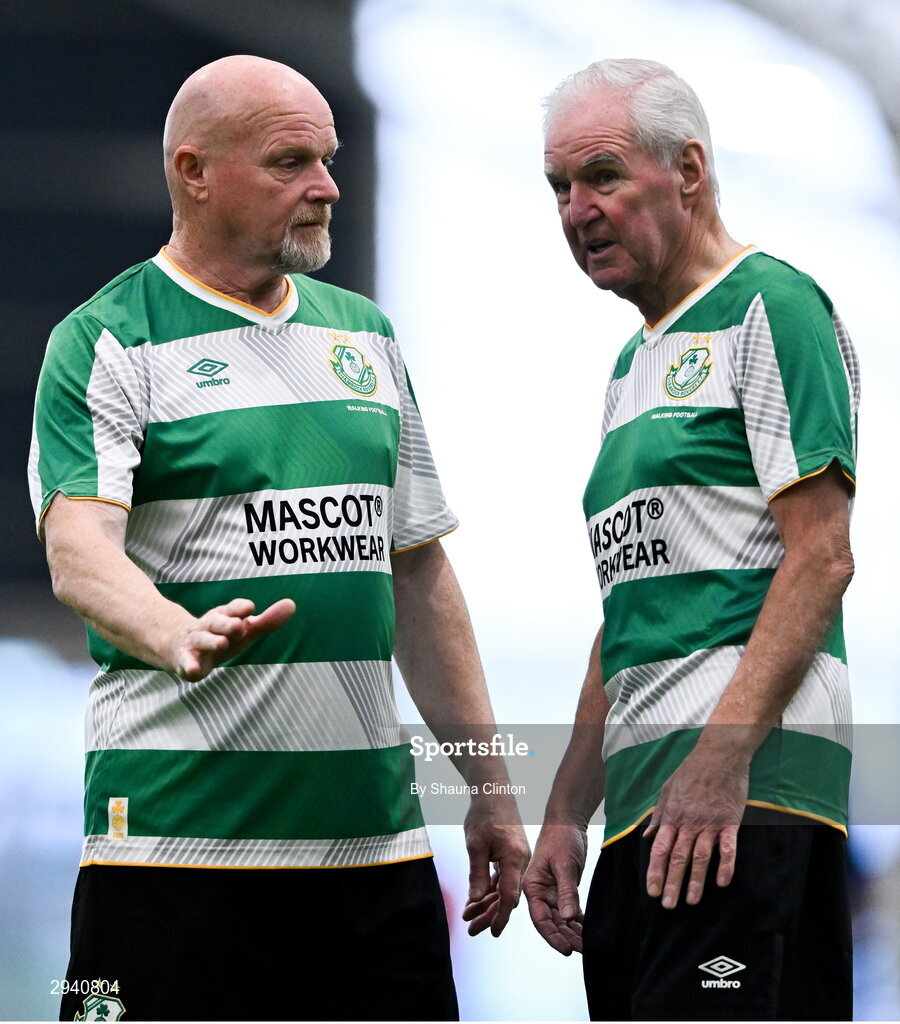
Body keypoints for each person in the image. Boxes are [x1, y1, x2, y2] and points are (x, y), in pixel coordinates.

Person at [29, 54, 528, 1023]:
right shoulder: (109, 339)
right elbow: (79, 549)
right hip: (173, 859)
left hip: (373, 864)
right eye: (291, 161)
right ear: (194, 171)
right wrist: (173, 629)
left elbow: (418, 570)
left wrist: (490, 784)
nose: (327, 186)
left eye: (330, 159)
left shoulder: (367, 337)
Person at [524, 58, 858, 1021]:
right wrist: (565, 812)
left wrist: (719, 760)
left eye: (602, 176)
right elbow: (630, 609)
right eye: (558, 187)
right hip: (650, 814)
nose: (575, 210)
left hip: (746, 801)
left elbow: (823, 555)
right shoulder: (631, 365)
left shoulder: (773, 306)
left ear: (691, 169)